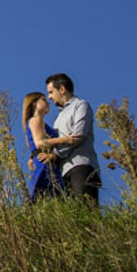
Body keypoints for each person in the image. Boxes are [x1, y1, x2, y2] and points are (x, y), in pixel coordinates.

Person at [38, 72, 101, 204]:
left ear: (62, 89)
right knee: (74, 216)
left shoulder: (81, 105)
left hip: (82, 166)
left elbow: (78, 136)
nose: (49, 97)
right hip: (64, 172)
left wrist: (55, 153)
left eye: (51, 92)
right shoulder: (58, 119)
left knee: (86, 211)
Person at [22, 91, 64, 201]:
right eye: (43, 100)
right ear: (34, 104)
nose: (48, 103)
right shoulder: (36, 120)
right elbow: (39, 143)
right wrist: (66, 139)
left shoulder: (35, 122)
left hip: (44, 160)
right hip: (44, 163)